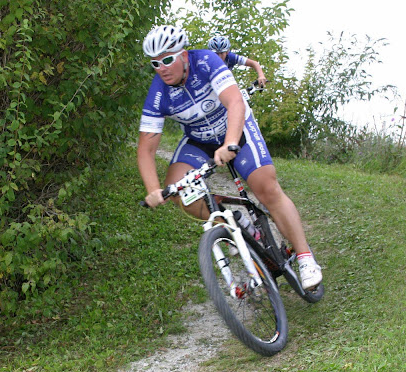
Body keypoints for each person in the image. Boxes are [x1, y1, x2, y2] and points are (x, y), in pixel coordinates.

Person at [137, 25, 322, 290]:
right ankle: (236, 223)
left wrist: (230, 143)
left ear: (184, 55)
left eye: (167, 59)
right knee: (179, 191)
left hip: (236, 127)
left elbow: (235, 102)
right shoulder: (158, 93)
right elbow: (146, 148)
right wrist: (153, 190)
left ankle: (305, 257)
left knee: (266, 187)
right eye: (155, 63)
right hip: (199, 140)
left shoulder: (206, 61)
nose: (162, 68)